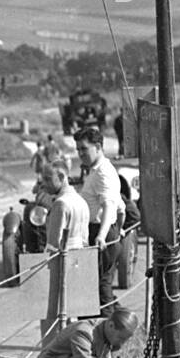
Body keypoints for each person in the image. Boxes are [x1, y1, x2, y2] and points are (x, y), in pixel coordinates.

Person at [75, 126, 123, 314]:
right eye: (78, 149)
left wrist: (103, 236)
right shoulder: (96, 170)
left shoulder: (103, 172)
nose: (80, 154)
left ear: (98, 146)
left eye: (84, 149)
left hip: (100, 234)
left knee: (100, 289)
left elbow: (110, 205)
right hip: (102, 232)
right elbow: (120, 207)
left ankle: (108, 337)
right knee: (97, 287)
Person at [40, 159, 90, 321]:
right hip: (80, 260)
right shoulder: (81, 201)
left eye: (48, 179)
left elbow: (53, 243)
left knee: (59, 314)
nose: (44, 184)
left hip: (62, 263)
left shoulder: (61, 204)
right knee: (73, 312)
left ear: (61, 176)